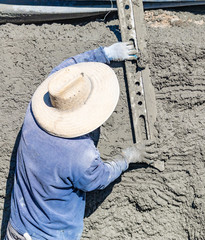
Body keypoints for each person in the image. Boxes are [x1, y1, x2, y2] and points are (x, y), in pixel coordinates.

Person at [5, 42, 157, 240]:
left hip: (15, 230)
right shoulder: (80, 154)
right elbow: (100, 177)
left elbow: (62, 72)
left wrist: (105, 53)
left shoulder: (35, 111)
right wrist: (127, 157)